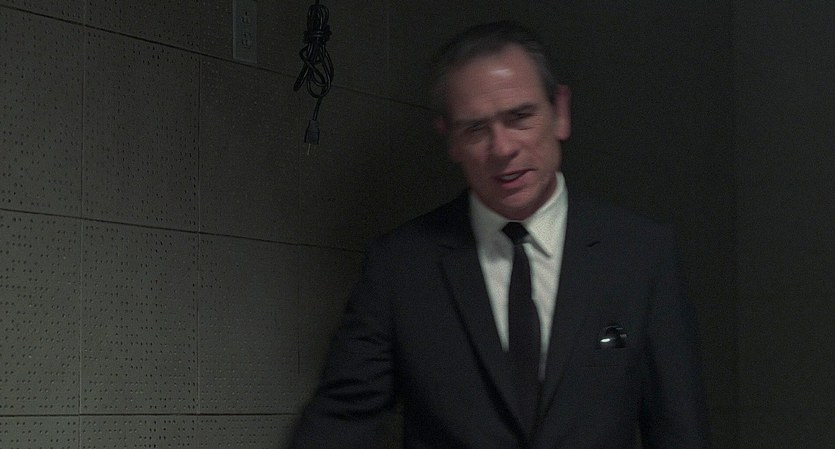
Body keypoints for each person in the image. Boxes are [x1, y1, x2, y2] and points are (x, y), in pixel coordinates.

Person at [292, 20, 712, 449]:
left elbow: (679, 430)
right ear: (451, 140)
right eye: (476, 129)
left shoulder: (640, 255)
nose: (503, 148)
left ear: (560, 113)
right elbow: (338, 425)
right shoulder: (401, 267)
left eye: (520, 117)